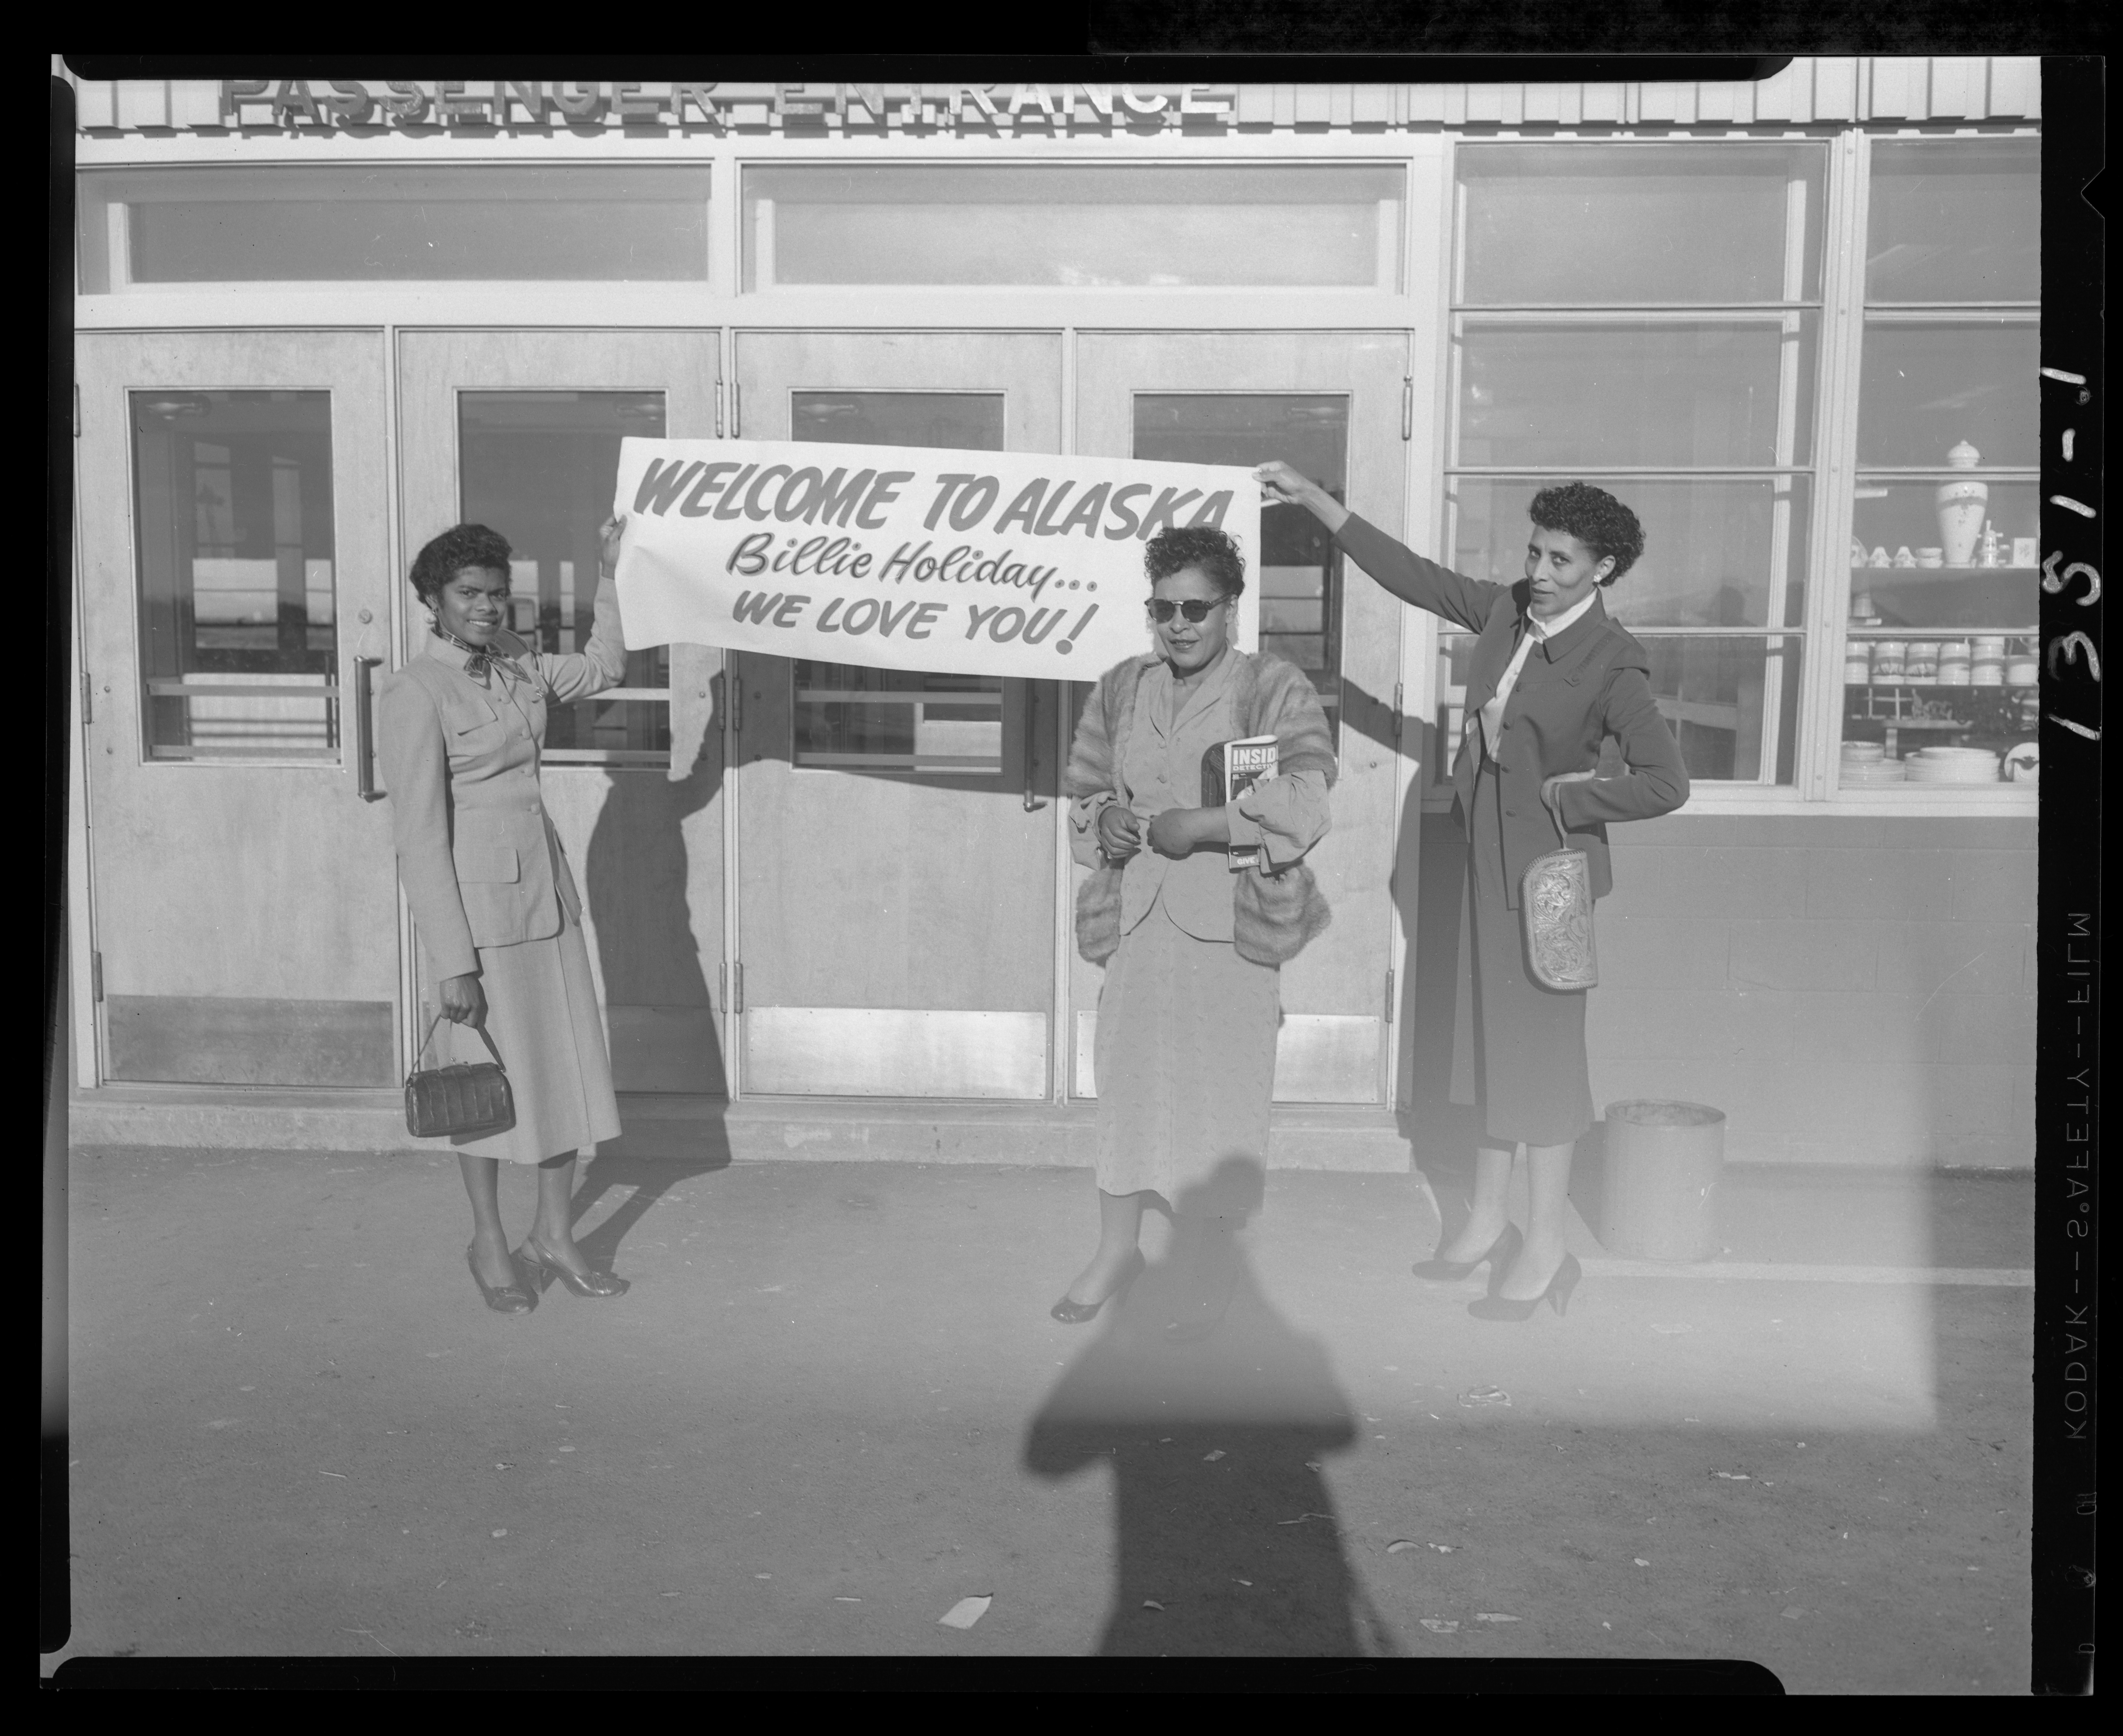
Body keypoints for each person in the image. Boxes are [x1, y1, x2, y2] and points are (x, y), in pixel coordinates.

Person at [1257, 465, 1689, 1322]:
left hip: (1551, 883)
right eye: (1535, 552)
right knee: (1489, 1048)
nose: (1541, 570)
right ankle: (1487, 1218)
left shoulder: (1614, 662)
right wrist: (1314, 500)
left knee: (1546, 1058)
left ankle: (1545, 1243)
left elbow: (1664, 783)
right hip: (1481, 866)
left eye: (1563, 561)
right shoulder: (1503, 612)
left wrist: (1562, 792)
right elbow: (1410, 573)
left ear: (1601, 571)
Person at [1057, 524, 1336, 1338]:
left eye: (1195, 608)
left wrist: (1209, 823)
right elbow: (1079, 802)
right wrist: (1104, 818)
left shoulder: (1272, 688)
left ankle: (1210, 1267)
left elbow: (1307, 804)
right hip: (1138, 924)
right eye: (1162, 608)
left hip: (1232, 930)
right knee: (1129, 1086)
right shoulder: (1118, 688)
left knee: (1221, 1096)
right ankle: (1117, 1251)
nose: (1177, 624)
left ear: (1230, 611)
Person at [377, 517, 634, 1313]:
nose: (486, 608)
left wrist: (609, 573)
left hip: (545, 900)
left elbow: (604, 667)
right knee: (483, 1084)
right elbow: (420, 837)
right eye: (468, 594)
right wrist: (452, 958)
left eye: (496, 593)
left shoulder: (519, 662)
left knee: (561, 1072)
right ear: (433, 600)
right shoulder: (416, 690)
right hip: (478, 922)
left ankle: (553, 1235)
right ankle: (490, 1239)